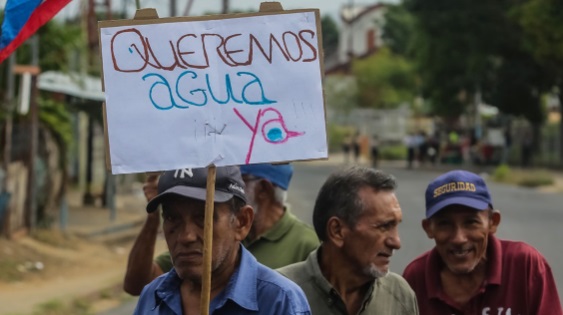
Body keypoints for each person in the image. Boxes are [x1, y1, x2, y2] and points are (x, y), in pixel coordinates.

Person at [133, 166, 311, 314]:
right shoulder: (152, 296)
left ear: (242, 222)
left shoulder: (279, 301)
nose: (186, 236)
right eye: (172, 218)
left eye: (204, 218)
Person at [403, 170, 563, 315]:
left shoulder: (525, 265)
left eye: (471, 222)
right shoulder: (416, 278)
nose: (459, 238)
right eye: (444, 224)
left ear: (493, 222)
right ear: (429, 228)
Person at [278, 166, 419, 315]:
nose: (396, 242)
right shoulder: (277, 293)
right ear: (337, 231)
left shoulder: (399, 295)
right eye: (384, 226)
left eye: (396, 225)